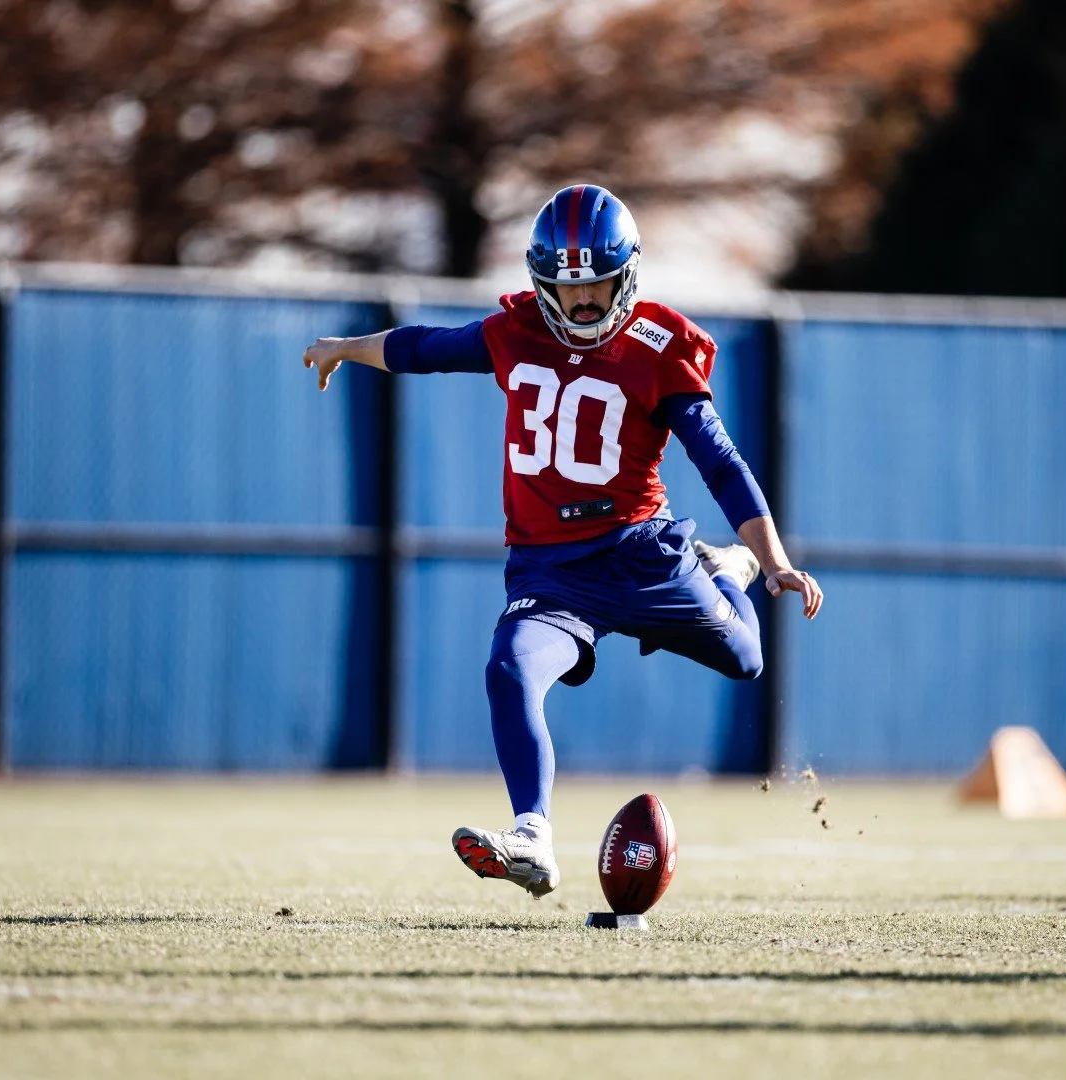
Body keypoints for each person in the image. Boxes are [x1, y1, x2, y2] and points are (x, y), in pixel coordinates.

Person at [303, 184, 822, 898]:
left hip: (641, 556)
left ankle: (724, 569)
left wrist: (771, 560)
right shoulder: (517, 332)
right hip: (550, 571)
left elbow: (721, 463)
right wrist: (345, 347)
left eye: (596, 285)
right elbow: (425, 347)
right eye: (566, 286)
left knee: (746, 660)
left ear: (626, 275)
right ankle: (532, 834)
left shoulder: (659, 345)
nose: (581, 302)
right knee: (508, 668)